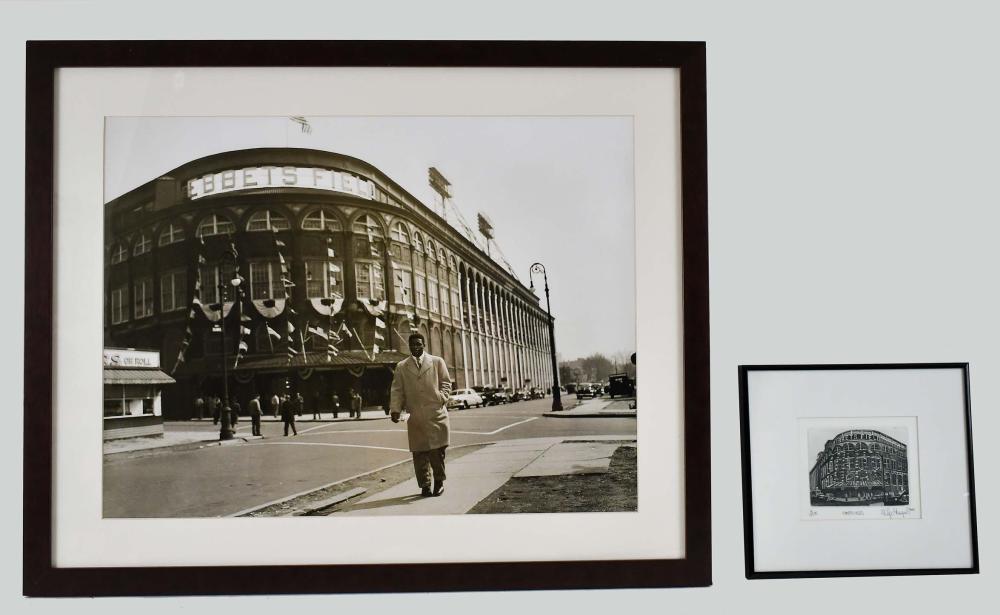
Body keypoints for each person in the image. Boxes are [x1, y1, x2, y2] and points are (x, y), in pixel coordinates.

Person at [389, 332, 453, 497]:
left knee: (437, 452)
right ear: (409, 346)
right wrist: (395, 409)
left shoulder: (437, 362)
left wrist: (442, 397)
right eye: (412, 345)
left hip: (436, 414)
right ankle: (425, 485)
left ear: (424, 345)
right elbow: (397, 390)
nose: (415, 347)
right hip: (415, 417)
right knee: (419, 453)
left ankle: (439, 482)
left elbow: (446, 382)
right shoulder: (402, 366)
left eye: (419, 344)